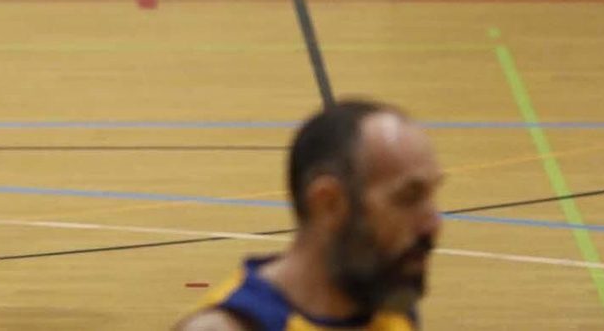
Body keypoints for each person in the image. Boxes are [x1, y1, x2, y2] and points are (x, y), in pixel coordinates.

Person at [173, 100, 443, 331]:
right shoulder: (230, 326)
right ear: (329, 204)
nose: (433, 223)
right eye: (408, 198)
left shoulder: (390, 309)